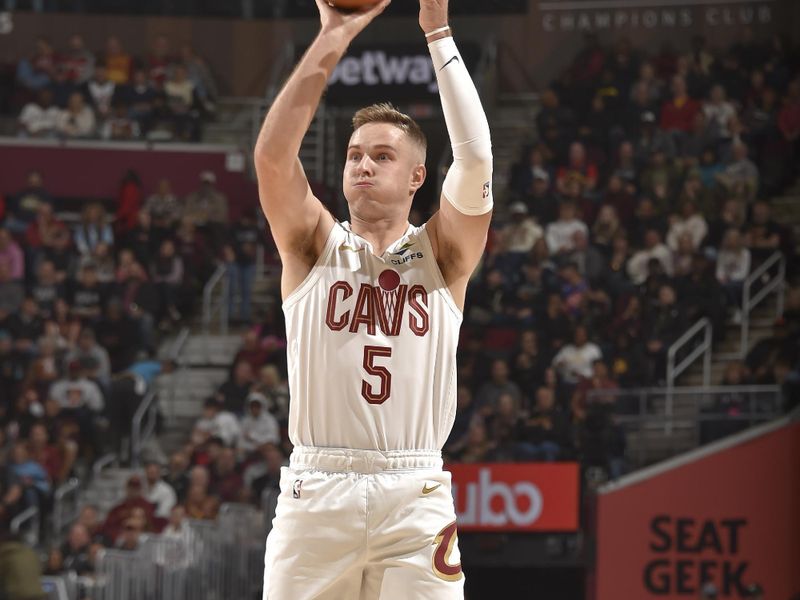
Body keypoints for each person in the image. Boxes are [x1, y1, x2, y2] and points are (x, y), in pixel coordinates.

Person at [254, 0, 493, 597]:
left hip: (415, 494)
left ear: (418, 177)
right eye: (355, 154)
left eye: (382, 156)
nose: (363, 165)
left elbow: (478, 159)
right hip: (317, 487)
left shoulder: (444, 252)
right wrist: (332, 36)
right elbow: (272, 159)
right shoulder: (312, 245)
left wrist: (437, 34)